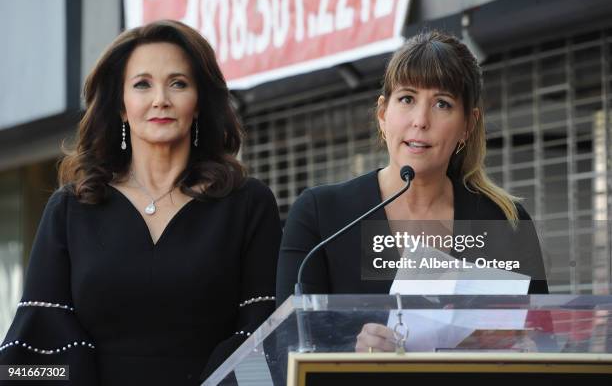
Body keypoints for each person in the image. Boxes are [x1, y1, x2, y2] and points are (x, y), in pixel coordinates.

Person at [0, 20, 281, 385]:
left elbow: (265, 336)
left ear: (198, 104)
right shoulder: (71, 207)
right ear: (120, 105)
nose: (160, 99)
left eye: (178, 83)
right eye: (142, 84)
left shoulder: (248, 204)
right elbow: (36, 343)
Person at [276, 30, 548, 352]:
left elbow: (545, 334)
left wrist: (531, 345)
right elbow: (286, 346)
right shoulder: (320, 214)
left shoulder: (505, 222)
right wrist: (351, 353)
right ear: (382, 114)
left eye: (442, 104)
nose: (420, 120)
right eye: (407, 99)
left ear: (468, 124)